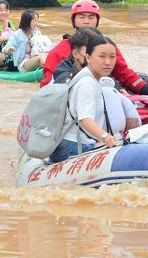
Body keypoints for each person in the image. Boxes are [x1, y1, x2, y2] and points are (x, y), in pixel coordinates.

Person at [41, 0, 148, 96]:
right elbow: (47, 86)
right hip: (77, 94)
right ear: (74, 21)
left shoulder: (106, 45)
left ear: (97, 21)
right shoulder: (59, 51)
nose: (86, 21)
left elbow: (125, 74)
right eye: (81, 17)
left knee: (142, 77)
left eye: (91, 17)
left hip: (108, 89)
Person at [50, 33, 122, 163]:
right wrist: (106, 137)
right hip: (72, 147)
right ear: (88, 57)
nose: (108, 62)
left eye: (112, 57)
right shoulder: (87, 83)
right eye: (102, 56)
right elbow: (85, 119)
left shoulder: (87, 77)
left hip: (70, 143)